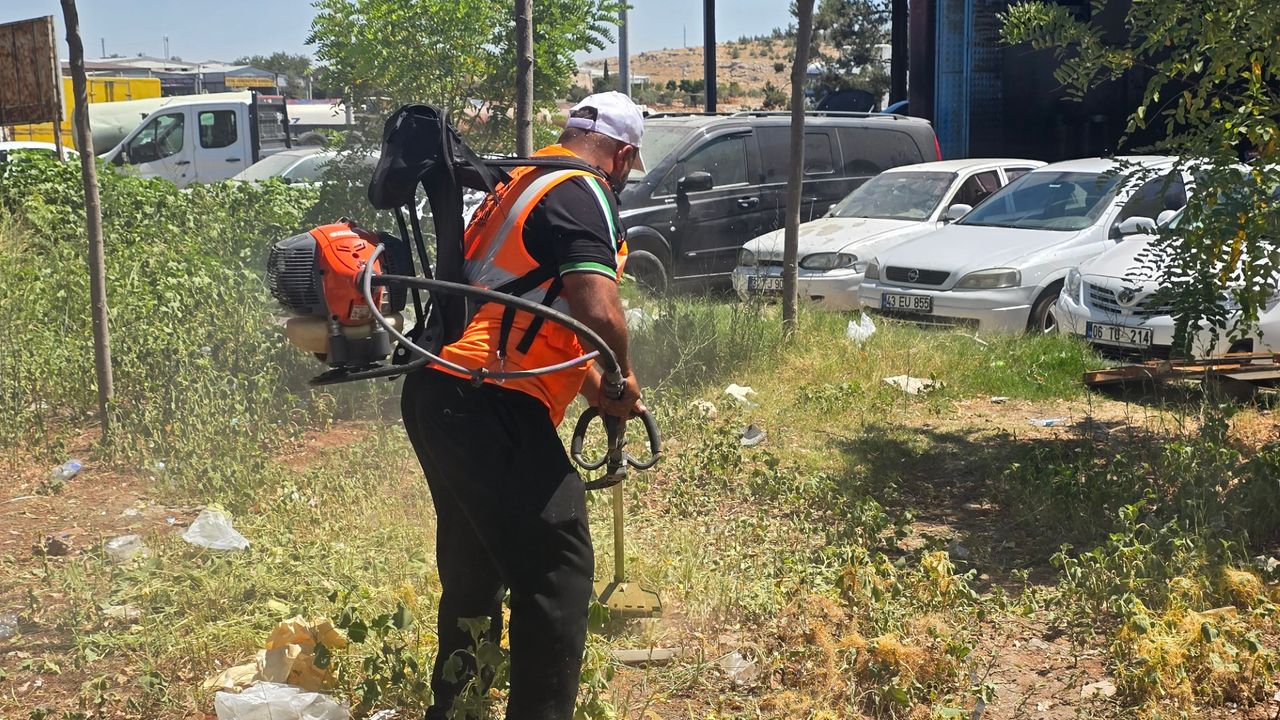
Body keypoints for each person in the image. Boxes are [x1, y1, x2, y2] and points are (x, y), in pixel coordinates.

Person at [399, 91, 646, 720]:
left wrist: (598, 387)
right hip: (489, 400)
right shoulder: (583, 191)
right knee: (559, 565)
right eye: (629, 167)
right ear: (621, 155)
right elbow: (597, 311)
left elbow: (531, 315)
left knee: (476, 564)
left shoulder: (521, 183)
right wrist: (622, 376)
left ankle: (458, 707)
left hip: (441, 391)